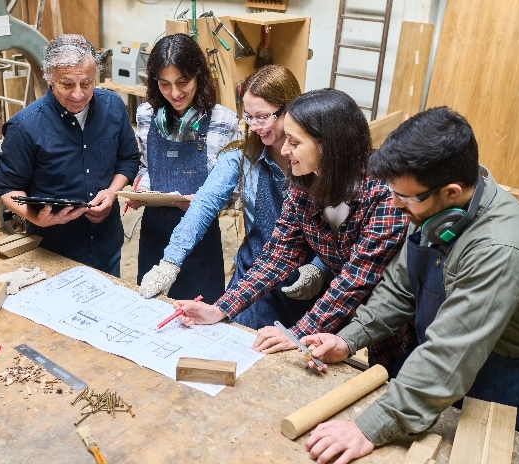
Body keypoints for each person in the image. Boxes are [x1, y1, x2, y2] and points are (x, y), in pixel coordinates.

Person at [300, 106, 519, 464]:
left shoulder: (500, 249)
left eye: (405, 198)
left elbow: (451, 353)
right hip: (445, 365)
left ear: (452, 191)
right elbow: (400, 287)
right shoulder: (432, 207)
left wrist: (369, 427)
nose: (395, 205)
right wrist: (349, 338)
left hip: (499, 379)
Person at [175, 89, 409, 354]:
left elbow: (356, 278)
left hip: (394, 317)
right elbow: (279, 254)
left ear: (329, 146)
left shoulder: (383, 195)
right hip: (345, 315)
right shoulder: (304, 184)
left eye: (295, 143)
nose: (284, 150)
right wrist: (221, 308)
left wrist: (298, 333)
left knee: (395, 375)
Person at [140, 64, 331, 330]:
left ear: (291, 110)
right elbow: (203, 205)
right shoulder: (239, 157)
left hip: (310, 284)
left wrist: (319, 267)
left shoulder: (315, 162)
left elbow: (341, 230)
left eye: (263, 117)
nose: (255, 127)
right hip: (255, 275)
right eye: (249, 117)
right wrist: (170, 262)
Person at [0, 34, 139, 276]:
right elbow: (7, 187)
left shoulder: (113, 107)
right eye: (67, 84)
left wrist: (112, 192)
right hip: (53, 251)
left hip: (107, 244)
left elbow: (128, 159)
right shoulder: (24, 127)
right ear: (49, 78)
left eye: (87, 83)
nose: (78, 94)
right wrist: (38, 219)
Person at [127, 33, 239, 304]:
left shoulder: (223, 121)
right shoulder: (146, 115)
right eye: (164, 84)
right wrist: (141, 189)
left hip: (201, 241)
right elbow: (146, 168)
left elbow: (233, 189)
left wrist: (205, 204)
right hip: (154, 233)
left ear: (199, 76)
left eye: (183, 82)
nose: (175, 93)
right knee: (152, 310)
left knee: (202, 320)